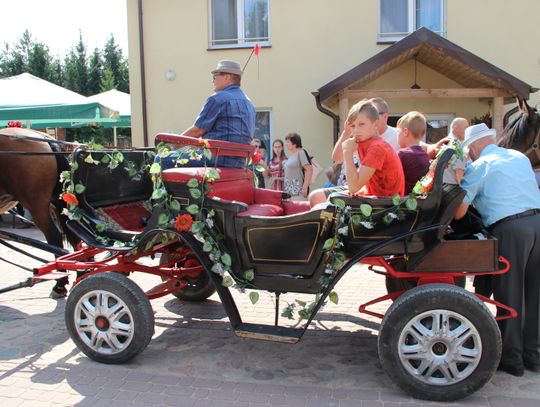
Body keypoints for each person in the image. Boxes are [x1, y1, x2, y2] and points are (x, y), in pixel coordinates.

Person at [454, 123, 540, 377]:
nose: (469, 154)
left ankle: (512, 360)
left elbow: (459, 211)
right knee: (534, 294)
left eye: (469, 150)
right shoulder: (519, 157)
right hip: (537, 223)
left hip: (511, 228)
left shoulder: (480, 166)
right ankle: (533, 356)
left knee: (509, 295)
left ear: (474, 146)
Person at [158, 60, 256, 169]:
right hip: (239, 163)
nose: (213, 80)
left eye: (215, 76)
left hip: (215, 159)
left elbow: (197, 131)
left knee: (160, 159)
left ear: (227, 77)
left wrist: (173, 145)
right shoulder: (249, 103)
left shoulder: (218, 98)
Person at [309, 100, 405, 206]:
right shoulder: (364, 140)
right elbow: (336, 158)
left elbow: (354, 188)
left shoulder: (377, 147)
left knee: (327, 203)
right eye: (353, 126)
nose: (356, 131)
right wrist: (346, 133)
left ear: (376, 124)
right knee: (316, 197)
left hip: (384, 202)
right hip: (370, 194)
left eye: (361, 124)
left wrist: (348, 153)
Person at [396, 111, 430, 194]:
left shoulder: (402, 154)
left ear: (405, 132)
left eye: (398, 132)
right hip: (417, 200)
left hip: (401, 201)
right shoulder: (424, 155)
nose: (397, 135)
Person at [283, 133, 313, 200]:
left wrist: (305, 188)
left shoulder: (301, 152)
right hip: (289, 192)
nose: (286, 144)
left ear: (294, 143)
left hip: (298, 192)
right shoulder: (292, 155)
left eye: (288, 142)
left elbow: (309, 170)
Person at [442, 117, 469, 185]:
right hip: (453, 189)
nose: (467, 131)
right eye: (466, 128)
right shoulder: (456, 145)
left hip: (443, 186)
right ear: (455, 128)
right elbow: (459, 174)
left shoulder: (445, 142)